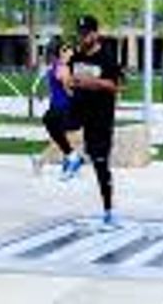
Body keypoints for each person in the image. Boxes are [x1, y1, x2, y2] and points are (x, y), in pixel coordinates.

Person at [69, 15, 124, 226]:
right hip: (78, 111)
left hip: (100, 117)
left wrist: (93, 83)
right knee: (54, 121)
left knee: (100, 164)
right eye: (80, 34)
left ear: (95, 34)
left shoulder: (107, 58)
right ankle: (73, 158)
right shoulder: (76, 56)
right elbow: (68, 78)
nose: (82, 38)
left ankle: (109, 211)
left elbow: (116, 86)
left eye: (86, 34)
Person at [33, 39, 83, 178]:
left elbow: (52, 86)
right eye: (67, 50)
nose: (71, 53)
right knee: (62, 136)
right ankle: (71, 161)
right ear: (60, 53)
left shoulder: (55, 66)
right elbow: (69, 90)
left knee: (62, 136)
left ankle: (69, 162)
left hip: (58, 107)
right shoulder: (63, 68)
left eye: (71, 50)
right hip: (64, 108)